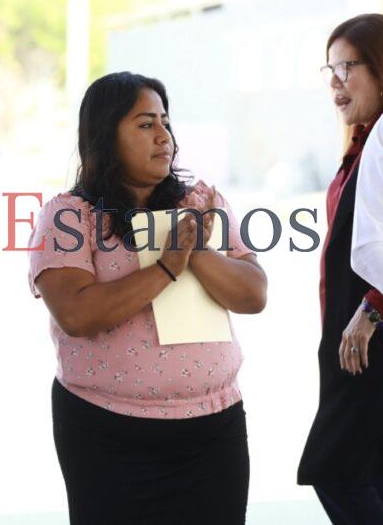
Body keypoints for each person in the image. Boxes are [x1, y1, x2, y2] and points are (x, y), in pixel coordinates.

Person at [28, 71, 267, 525]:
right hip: (108, 435)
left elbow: (254, 294)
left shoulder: (201, 202)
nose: (164, 136)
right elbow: (76, 314)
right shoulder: (69, 215)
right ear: (105, 135)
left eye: (165, 122)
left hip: (214, 430)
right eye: (144, 124)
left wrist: (195, 248)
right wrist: (165, 266)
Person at [320, 14, 383, 524]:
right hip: (348, 337)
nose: (334, 81)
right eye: (328, 70)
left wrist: (374, 306)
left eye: (346, 66)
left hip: (377, 336)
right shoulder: (362, 143)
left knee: (338, 470)